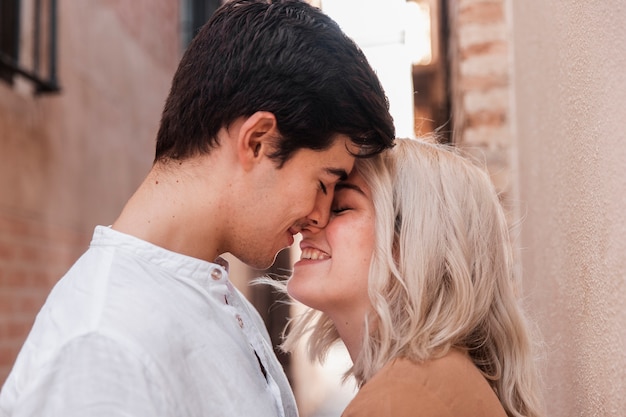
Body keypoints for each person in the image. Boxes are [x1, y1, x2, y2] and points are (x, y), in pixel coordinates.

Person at [0, 1, 395, 416]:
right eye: (324, 183)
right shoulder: (101, 348)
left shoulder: (217, 298)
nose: (319, 215)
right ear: (257, 140)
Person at [284, 138, 544, 417]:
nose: (309, 219)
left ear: (414, 244)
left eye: (340, 207)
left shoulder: (400, 400)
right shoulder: (433, 379)